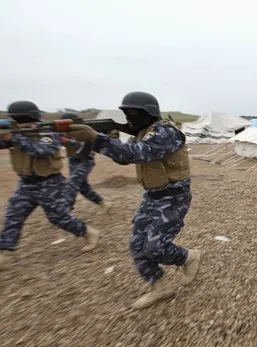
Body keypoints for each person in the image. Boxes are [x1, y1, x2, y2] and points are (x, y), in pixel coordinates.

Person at [64, 91, 202, 309]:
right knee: (137, 245)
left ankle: (188, 257)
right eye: (126, 113)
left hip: (173, 197)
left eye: (133, 114)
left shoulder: (166, 132)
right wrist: (92, 142)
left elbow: (137, 153)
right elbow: (124, 158)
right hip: (152, 196)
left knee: (155, 247)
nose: (129, 119)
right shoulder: (144, 132)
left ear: (149, 113)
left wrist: (96, 138)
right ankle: (160, 287)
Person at [0, 101, 100, 270]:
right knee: (13, 216)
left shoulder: (48, 133)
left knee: (58, 217)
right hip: (26, 184)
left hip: (50, 183)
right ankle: (5, 251)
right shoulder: (14, 133)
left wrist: (15, 138)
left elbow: (42, 151)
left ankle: (88, 232)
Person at [58, 112, 112, 214]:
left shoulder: (83, 131)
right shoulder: (63, 132)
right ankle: (103, 203)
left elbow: (86, 144)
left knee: (72, 183)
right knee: (83, 187)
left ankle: (66, 211)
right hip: (73, 159)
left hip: (85, 160)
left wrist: (66, 140)